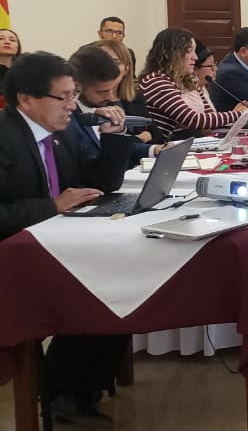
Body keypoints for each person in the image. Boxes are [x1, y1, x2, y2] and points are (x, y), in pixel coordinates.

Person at [0, 51, 133, 420]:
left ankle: (79, 386)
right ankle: (60, 388)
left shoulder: (63, 131)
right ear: (26, 99)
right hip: (14, 253)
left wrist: (114, 138)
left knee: (121, 278)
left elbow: (97, 183)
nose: (73, 106)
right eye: (63, 97)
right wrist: (52, 206)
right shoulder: (4, 137)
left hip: (57, 241)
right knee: (96, 287)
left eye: (74, 95)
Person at [141, 28, 248, 140]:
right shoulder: (156, 81)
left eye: (194, 51)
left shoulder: (189, 80)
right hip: (162, 145)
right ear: (169, 54)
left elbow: (208, 116)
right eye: (188, 51)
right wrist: (240, 113)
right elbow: (193, 120)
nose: (195, 57)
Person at [68, 46, 161, 166]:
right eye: (102, 91)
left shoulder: (98, 109)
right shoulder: (69, 119)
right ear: (77, 87)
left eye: (112, 89)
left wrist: (153, 150)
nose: (110, 97)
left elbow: (115, 152)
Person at [89, 38, 151, 142]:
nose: (108, 68)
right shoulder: (86, 100)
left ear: (127, 69)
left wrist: (144, 137)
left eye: (116, 63)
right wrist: (139, 138)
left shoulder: (135, 96)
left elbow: (155, 134)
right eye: (102, 62)